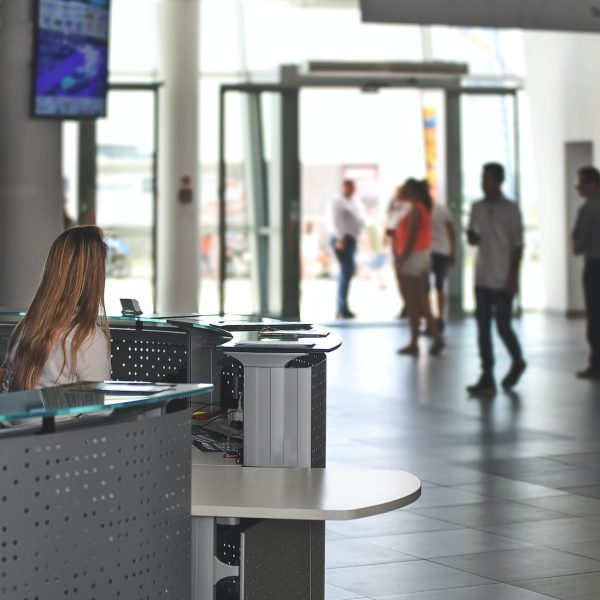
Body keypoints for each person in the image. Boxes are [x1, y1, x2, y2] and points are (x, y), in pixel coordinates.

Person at [2, 226, 111, 391]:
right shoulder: (88, 339)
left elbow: (7, 391)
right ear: (94, 276)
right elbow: (98, 412)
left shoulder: (24, 328)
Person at [466, 163, 526, 395]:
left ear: (499, 181)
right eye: (483, 178)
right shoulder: (477, 207)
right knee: (482, 329)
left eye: (489, 179)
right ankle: (487, 375)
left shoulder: (510, 209)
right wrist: (471, 236)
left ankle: (517, 359)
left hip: (503, 277)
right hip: (482, 277)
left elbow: (518, 246)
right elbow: (473, 238)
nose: (484, 183)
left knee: (502, 325)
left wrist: (513, 278)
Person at [395, 179, 443, 356]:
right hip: (418, 257)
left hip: (413, 258)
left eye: (405, 188)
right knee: (420, 302)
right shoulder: (417, 208)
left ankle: (420, 340)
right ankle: (428, 337)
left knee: (415, 302)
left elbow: (411, 238)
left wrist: (402, 259)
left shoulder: (415, 209)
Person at [572, 166, 600, 380]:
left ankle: (596, 363)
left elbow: (578, 245)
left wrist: (577, 244)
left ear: (591, 184)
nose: (577, 186)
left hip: (595, 266)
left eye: (580, 182)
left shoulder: (588, 208)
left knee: (595, 316)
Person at [330, 179, 364, 318]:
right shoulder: (338, 200)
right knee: (346, 272)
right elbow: (335, 220)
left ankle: (343, 307)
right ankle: (342, 308)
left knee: (348, 272)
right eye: (350, 187)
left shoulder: (351, 201)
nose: (352, 190)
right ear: (344, 187)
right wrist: (340, 238)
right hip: (343, 240)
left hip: (350, 240)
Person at [429, 201, 456, 331]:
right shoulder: (427, 209)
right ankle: (432, 318)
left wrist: (452, 251)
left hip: (439, 252)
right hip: (432, 252)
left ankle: (438, 318)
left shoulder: (440, 210)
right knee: (430, 288)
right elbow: (452, 232)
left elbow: (451, 231)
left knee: (438, 286)